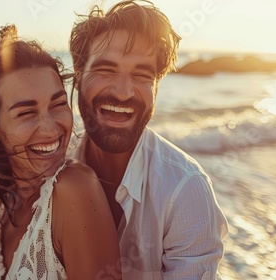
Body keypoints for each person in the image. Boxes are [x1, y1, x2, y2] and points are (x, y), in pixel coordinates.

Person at [0, 25, 121, 280]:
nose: (50, 129)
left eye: (58, 104)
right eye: (27, 113)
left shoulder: (76, 188)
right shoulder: (4, 205)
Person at [68, 1, 228, 279]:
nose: (123, 92)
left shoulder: (185, 191)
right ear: (78, 76)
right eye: (106, 70)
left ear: (156, 85)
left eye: (142, 75)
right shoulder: (51, 169)